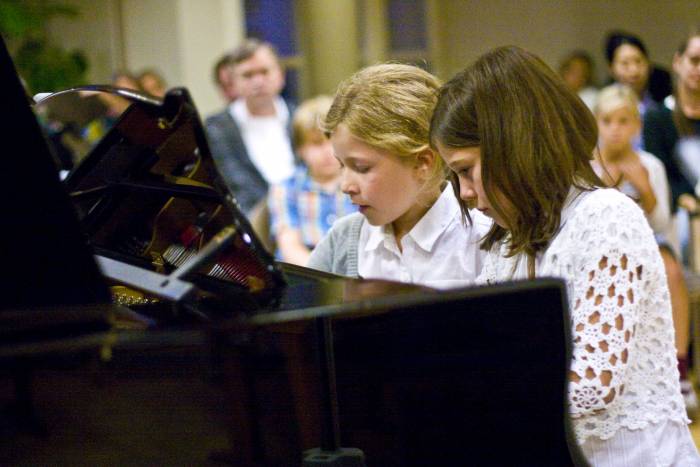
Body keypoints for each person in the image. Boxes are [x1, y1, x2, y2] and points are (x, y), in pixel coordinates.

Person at [430, 45, 699, 465]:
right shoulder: (509, 238)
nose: (464, 192)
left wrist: (468, 385)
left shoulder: (606, 217)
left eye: (467, 170)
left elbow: (592, 381)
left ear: (514, 147)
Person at [307, 64, 490, 289]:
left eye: (362, 168)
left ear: (422, 162)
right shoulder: (343, 240)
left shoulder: (483, 237)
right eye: (341, 165)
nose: (345, 186)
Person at [593, 83, 697, 413]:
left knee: (672, 274)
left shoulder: (649, 163)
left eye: (624, 121)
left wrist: (645, 191)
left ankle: (679, 371)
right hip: (600, 245)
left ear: (636, 126)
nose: (615, 129)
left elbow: (663, 220)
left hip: (648, 240)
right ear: (597, 124)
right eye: (607, 121)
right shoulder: (587, 165)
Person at [205, 39, 296, 216]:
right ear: (233, 83)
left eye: (264, 72)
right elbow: (234, 186)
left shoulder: (299, 117)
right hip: (251, 222)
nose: (258, 81)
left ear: (281, 75)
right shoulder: (217, 129)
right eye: (248, 75)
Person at [268, 95, 356, 265]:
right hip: (306, 270)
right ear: (300, 149)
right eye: (316, 143)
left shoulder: (360, 183)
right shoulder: (286, 189)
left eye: (333, 141)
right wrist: (324, 277)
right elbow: (290, 247)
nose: (327, 151)